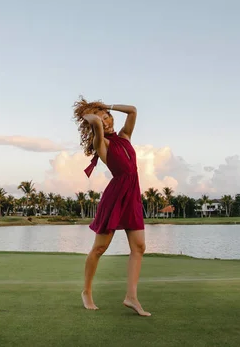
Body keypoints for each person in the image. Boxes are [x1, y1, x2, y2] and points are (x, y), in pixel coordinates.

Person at [72, 96, 151, 317]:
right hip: (116, 197)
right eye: (101, 120)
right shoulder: (101, 144)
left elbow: (133, 110)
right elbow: (97, 126)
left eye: (107, 117)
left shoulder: (125, 136)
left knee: (139, 247)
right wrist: (90, 117)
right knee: (99, 248)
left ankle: (131, 297)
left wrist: (105, 107)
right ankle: (86, 291)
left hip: (133, 195)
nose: (106, 122)